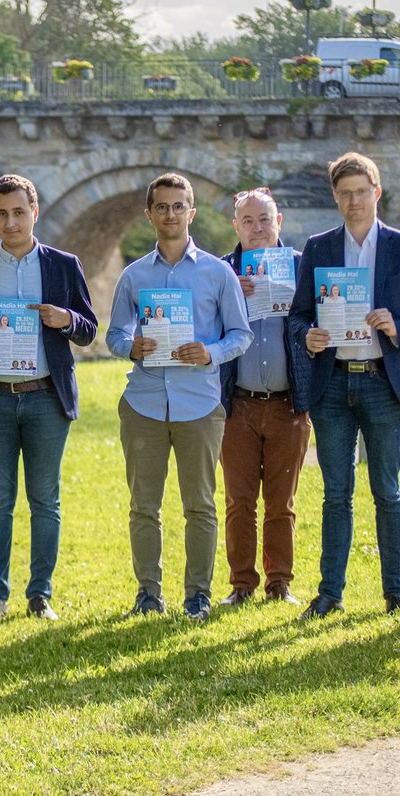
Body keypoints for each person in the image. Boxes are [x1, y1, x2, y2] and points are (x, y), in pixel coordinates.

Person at [288, 152, 400, 619]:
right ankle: (330, 593)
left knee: (387, 491)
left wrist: (399, 327)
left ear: (377, 193)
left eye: (361, 192)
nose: (354, 201)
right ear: (335, 198)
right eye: (345, 194)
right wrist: (308, 335)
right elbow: (298, 315)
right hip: (332, 384)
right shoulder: (318, 248)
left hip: (382, 381)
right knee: (336, 494)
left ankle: (396, 593)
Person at [106, 172, 252, 622]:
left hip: (199, 404)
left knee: (200, 505)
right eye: (162, 206)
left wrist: (210, 352)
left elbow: (241, 334)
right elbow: (114, 335)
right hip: (144, 403)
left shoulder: (218, 273)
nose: (170, 214)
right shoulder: (133, 275)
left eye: (178, 206)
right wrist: (130, 346)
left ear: (192, 212)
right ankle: (148, 593)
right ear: (149, 214)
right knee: (143, 507)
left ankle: (198, 595)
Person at [0, 174, 97, 621]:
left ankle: (40, 596)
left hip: (46, 398)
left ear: (35, 212)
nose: (11, 222)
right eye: (2, 214)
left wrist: (66, 318)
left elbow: (89, 329)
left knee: (45, 500)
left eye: (19, 212)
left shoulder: (63, 265)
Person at [218, 188, 311, 607]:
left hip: (287, 403)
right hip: (236, 404)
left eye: (264, 219)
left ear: (279, 222)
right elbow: (201, 329)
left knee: (281, 503)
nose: (257, 228)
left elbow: (320, 320)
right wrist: (227, 298)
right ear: (236, 227)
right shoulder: (221, 272)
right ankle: (241, 584)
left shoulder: (301, 268)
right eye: (248, 221)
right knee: (239, 501)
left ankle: (280, 584)